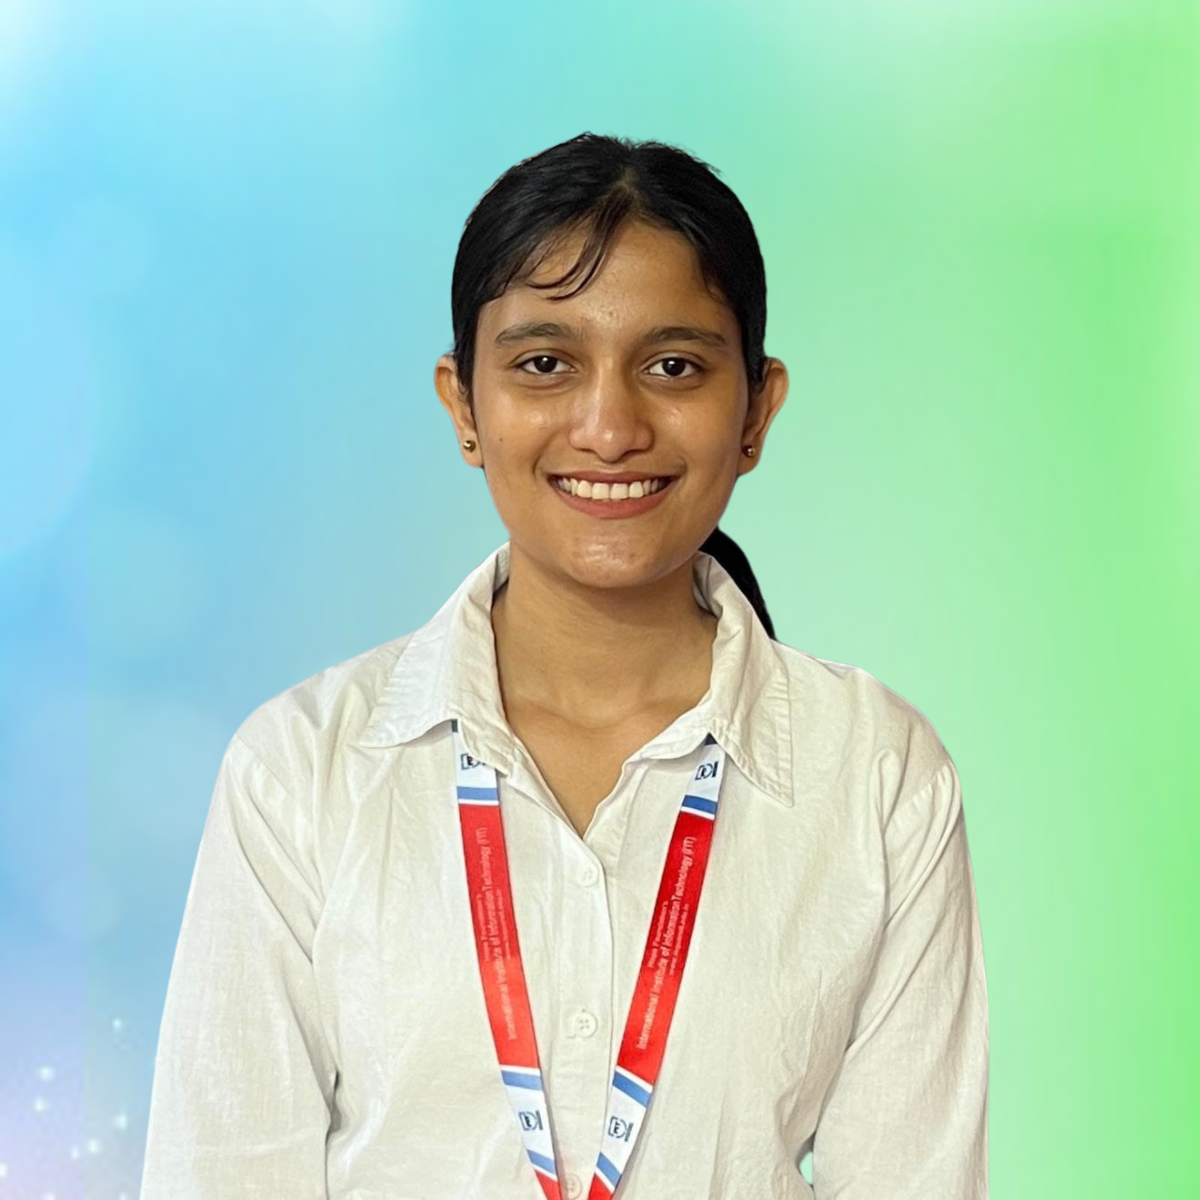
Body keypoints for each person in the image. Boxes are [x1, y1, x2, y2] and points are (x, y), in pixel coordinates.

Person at [140, 133, 988, 1200]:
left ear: (757, 411)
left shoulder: (874, 774)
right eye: (545, 363)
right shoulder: (301, 771)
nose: (609, 427)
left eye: (673, 367)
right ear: (464, 406)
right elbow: (221, 1172)